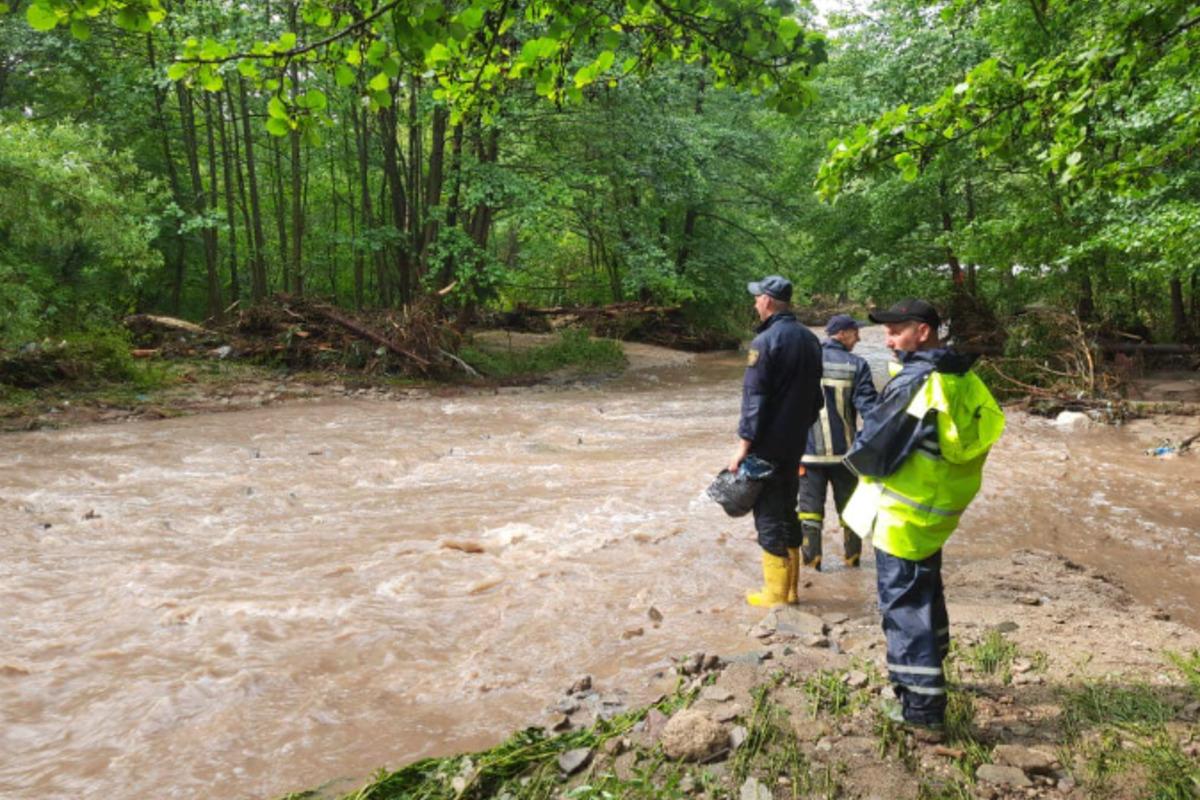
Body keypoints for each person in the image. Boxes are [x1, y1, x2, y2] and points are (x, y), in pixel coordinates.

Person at [841, 298, 1004, 733]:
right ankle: (933, 673)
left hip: (902, 515)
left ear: (924, 331)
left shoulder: (917, 380)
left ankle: (921, 712)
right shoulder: (961, 375)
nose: (888, 341)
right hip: (936, 511)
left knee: (905, 606)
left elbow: (872, 451)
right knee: (926, 595)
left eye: (896, 331)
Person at [729, 275, 823, 607]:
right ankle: (792, 590)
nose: (755, 303)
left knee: (768, 515)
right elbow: (817, 400)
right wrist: (797, 429)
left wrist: (744, 445)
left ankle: (774, 595)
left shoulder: (765, 341)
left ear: (768, 302)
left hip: (767, 445)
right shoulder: (811, 340)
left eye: (757, 298)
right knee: (788, 510)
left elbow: (754, 398)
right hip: (796, 442)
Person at [797, 314, 878, 572]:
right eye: (855, 332)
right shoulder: (857, 365)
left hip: (808, 455)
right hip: (846, 455)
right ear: (841, 334)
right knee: (850, 511)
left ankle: (812, 565)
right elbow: (870, 410)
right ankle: (852, 561)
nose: (859, 338)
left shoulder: (803, 362)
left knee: (809, 513)